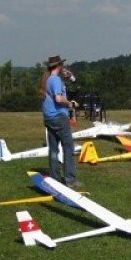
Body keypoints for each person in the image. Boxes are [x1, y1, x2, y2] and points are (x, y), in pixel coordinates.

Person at [40, 55, 81, 188]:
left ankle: (55, 179)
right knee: (68, 148)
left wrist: (67, 78)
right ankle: (70, 180)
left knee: (53, 149)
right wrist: (70, 104)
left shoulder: (48, 79)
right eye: (62, 64)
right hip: (59, 117)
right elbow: (58, 99)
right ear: (59, 65)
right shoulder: (56, 80)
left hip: (49, 117)